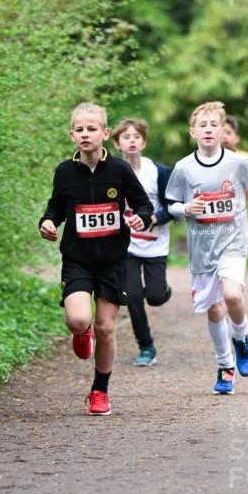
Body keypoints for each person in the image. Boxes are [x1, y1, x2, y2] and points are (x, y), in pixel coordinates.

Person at [39, 102, 154, 415]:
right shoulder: (64, 171)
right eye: (80, 129)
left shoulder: (119, 170)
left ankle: (100, 391)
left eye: (92, 129)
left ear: (105, 134)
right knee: (79, 319)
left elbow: (144, 205)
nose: (85, 134)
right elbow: (56, 208)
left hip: (113, 261)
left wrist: (141, 219)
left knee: (106, 329)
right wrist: (47, 223)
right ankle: (81, 331)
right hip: (78, 259)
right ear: (72, 136)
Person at [165, 101, 248, 395]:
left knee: (232, 295)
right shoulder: (183, 168)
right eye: (203, 125)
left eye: (215, 125)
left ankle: (242, 338)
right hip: (201, 250)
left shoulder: (237, 163)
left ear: (223, 131)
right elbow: (170, 203)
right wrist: (186, 207)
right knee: (213, 310)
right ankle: (225, 368)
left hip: (233, 242)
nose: (209, 130)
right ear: (192, 131)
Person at [112, 117, 174, 367]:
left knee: (155, 296)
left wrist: (153, 219)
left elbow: (174, 207)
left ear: (144, 142)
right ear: (117, 143)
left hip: (155, 244)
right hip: (126, 247)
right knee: (133, 296)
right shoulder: (111, 172)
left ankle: (163, 290)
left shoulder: (158, 172)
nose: (132, 141)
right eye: (126, 137)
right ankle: (146, 346)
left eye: (136, 136)